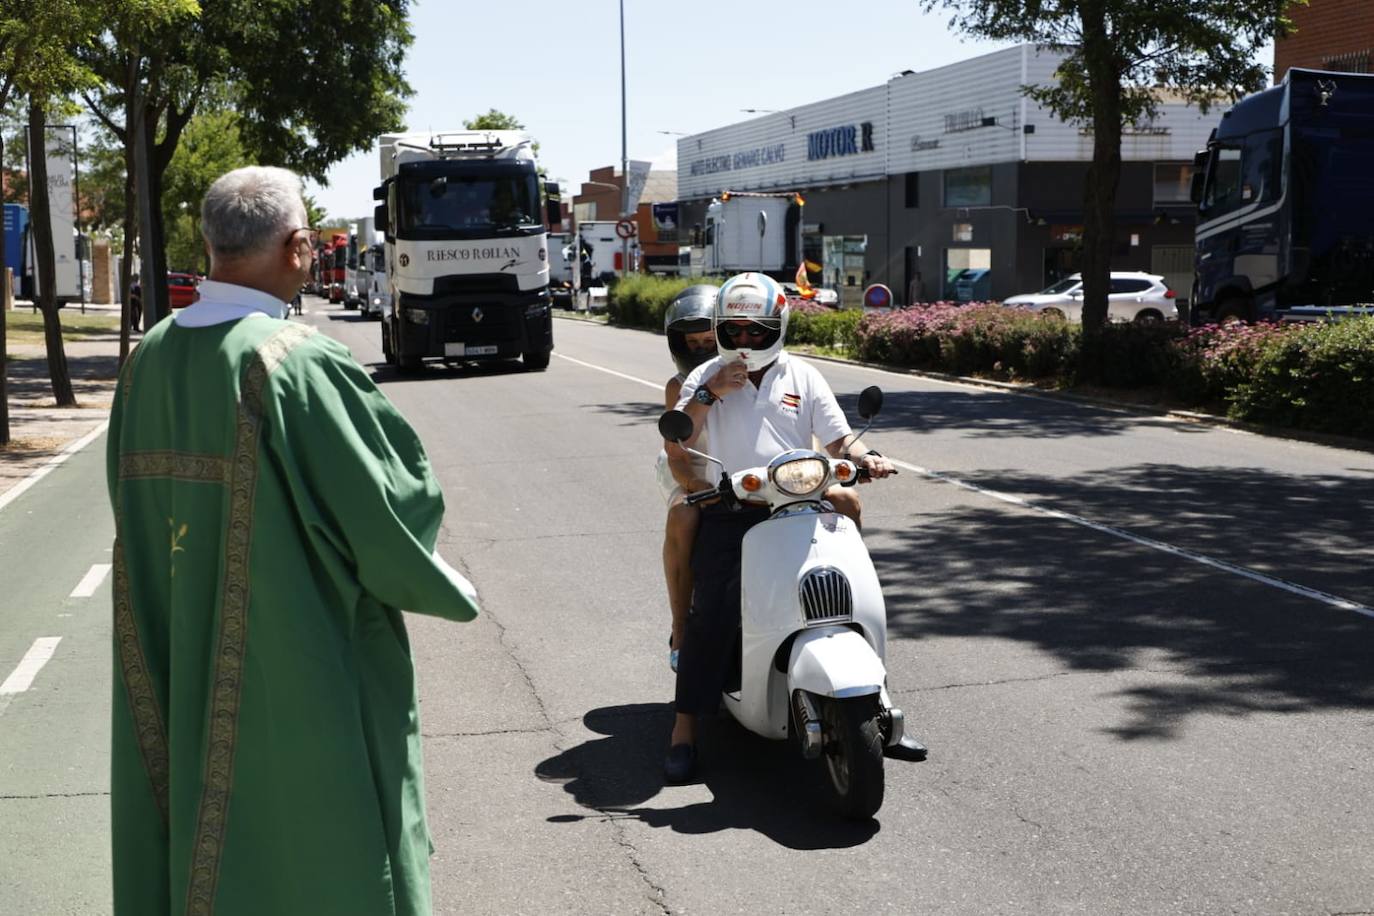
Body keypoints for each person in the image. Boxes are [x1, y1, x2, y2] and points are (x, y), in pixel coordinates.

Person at [106, 165, 479, 916]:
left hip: (174, 637)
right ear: (299, 246)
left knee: (190, 806)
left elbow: (127, 501)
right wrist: (438, 581)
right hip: (298, 661)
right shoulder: (293, 361)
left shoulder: (146, 359)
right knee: (318, 842)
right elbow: (390, 510)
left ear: (212, 244)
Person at [662, 272, 898, 783]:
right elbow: (678, 444)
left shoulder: (804, 376)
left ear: (779, 327)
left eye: (757, 331)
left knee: (850, 593)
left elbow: (838, 440)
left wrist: (868, 456)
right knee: (715, 610)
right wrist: (711, 393)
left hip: (801, 499)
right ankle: (685, 730)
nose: (745, 342)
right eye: (737, 330)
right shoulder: (705, 373)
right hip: (733, 505)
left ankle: (878, 711)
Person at [658, 285, 721, 672]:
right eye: (692, 342)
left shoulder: (752, 374)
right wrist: (696, 487)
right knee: (684, 516)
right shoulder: (678, 387)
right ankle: (681, 627)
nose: (700, 347)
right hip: (695, 472)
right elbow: (677, 456)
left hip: (750, 472)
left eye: (708, 339)